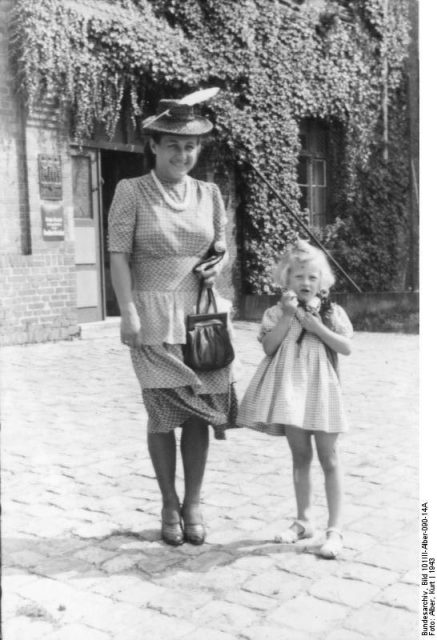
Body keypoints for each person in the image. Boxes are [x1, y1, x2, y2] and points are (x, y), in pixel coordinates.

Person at [108, 98, 237, 547]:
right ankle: (168, 501)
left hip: (201, 315)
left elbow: (220, 247)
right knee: (162, 413)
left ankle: (194, 503)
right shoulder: (131, 190)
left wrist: (217, 266)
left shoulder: (210, 194)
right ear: (154, 146)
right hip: (152, 314)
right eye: (174, 146)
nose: (183, 155)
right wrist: (128, 311)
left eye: (191, 147)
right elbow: (119, 256)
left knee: (199, 412)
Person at [238, 239, 353, 558]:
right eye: (299, 276)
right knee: (300, 457)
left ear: (322, 281)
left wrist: (317, 327)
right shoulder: (276, 312)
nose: (305, 282)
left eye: (312, 277)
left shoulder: (331, 311)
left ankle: (335, 529)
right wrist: (289, 316)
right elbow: (269, 347)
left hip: (323, 391)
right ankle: (304, 520)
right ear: (286, 279)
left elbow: (346, 347)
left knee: (329, 458)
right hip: (291, 394)